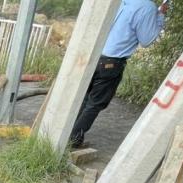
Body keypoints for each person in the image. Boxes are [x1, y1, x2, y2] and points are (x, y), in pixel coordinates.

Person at [69, 0, 166, 148]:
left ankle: (67, 134)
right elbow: (147, 40)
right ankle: (73, 139)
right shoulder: (147, 7)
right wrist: (160, 16)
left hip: (92, 54)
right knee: (95, 103)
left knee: (84, 97)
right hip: (111, 62)